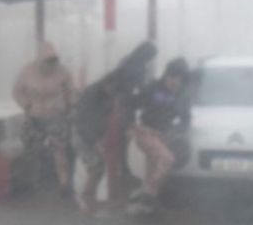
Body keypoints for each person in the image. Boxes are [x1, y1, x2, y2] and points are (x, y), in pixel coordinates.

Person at [73, 42, 156, 214]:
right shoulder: (96, 95)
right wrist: (96, 140)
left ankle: (89, 199)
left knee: (98, 166)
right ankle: (87, 198)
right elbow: (84, 120)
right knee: (97, 166)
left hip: (93, 133)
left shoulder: (110, 89)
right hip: (84, 136)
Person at [127, 57, 191, 215]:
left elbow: (186, 120)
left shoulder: (183, 97)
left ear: (183, 80)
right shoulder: (153, 87)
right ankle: (147, 194)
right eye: (171, 76)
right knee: (166, 159)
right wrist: (131, 125)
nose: (174, 81)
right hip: (145, 132)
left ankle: (145, 206)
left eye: (178, 78)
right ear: (166, 75)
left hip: (163, 136)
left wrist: (176, 131)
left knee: (153, 168)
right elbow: (132, 104)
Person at [12, 42, 76, 198]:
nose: (51, 65)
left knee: (59, 149)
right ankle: (31, 184)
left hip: (56, 116)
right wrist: (25, 104)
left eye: (53, 61)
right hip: (33, 117)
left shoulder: (62, 71)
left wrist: (70, 106)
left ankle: (64, 185)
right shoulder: (27, 71)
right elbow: (16, 91)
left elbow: (71, 90)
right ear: (40, 60)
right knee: (32, 150)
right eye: (48, 61)